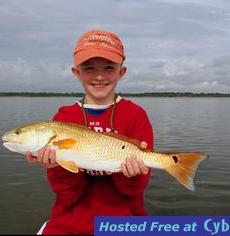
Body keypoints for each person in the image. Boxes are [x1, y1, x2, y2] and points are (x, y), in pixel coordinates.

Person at [26, 29, 154, 235]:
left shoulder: (136, 115)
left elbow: (135, 189)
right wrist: (57, 166)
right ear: (76, 72)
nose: (99, 76)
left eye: (109, 68)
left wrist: (130, 174)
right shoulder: (64, 117)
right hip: (68, 224)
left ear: (121, 72)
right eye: (89, 68)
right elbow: (67, 195)